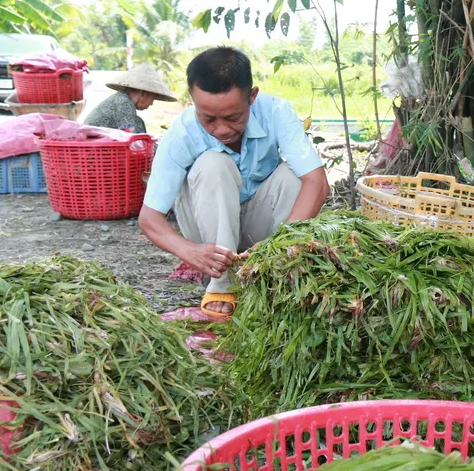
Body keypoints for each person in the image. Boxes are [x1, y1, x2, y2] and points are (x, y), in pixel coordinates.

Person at [137, 47, 330, 317]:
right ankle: (222, 284)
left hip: (262, 231)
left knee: (294, 175)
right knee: (212, 163)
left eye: (233, 117)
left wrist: (280, 244)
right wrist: (191, 252)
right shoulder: (181, 133)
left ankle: (276, 269)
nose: (222, 129)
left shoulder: (276, 111)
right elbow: (149, 218)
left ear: (252, 97)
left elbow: (317, 183)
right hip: (207, 229)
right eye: (208, 119)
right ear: (193, 101)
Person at [83, 63, 175, 133]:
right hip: (93, 151)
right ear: (144, 93)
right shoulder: (123, 103)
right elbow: (132, 140)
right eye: (153, 99)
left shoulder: (122, 100)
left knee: (139, 122)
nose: (151, 103)